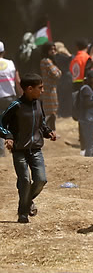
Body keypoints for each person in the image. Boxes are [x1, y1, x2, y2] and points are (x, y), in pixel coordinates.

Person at [0, 73, 57, 223]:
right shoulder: (16, 106)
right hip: (19, 150)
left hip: (36, 149)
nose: (42, 90)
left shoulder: (39, 103)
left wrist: (48, 132)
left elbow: (42, 123)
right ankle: (23, 212)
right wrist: (8, 136)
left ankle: (27, 201)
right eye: (40, 88)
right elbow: (1, 123)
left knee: (41, 180)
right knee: (25, 180)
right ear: (29, 89)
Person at [0, 41, 21, 156]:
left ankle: (1, 153)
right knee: (13, 122)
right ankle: (16, 147)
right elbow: (17, 81)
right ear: (4, 52)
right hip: (10, 97)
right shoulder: (11, 64)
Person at [39, 42, 62, 131]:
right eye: (50, 49)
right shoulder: (47, 61)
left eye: (54, 49)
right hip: (49, 89)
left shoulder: (48, 61)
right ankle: (49, 130)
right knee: (51, 111)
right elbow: (56, 74)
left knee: (52, 110)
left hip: (51, 88)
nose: (53, 51)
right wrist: (59, 71)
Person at [53, 42, 73, 118]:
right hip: (67, 77)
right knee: (68, 95)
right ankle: (68, 112)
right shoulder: (62, 56)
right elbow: (72, 58)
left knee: (61, 96)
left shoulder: (54, 57)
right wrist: (67, 53)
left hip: (60, 78)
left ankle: (61, 112)